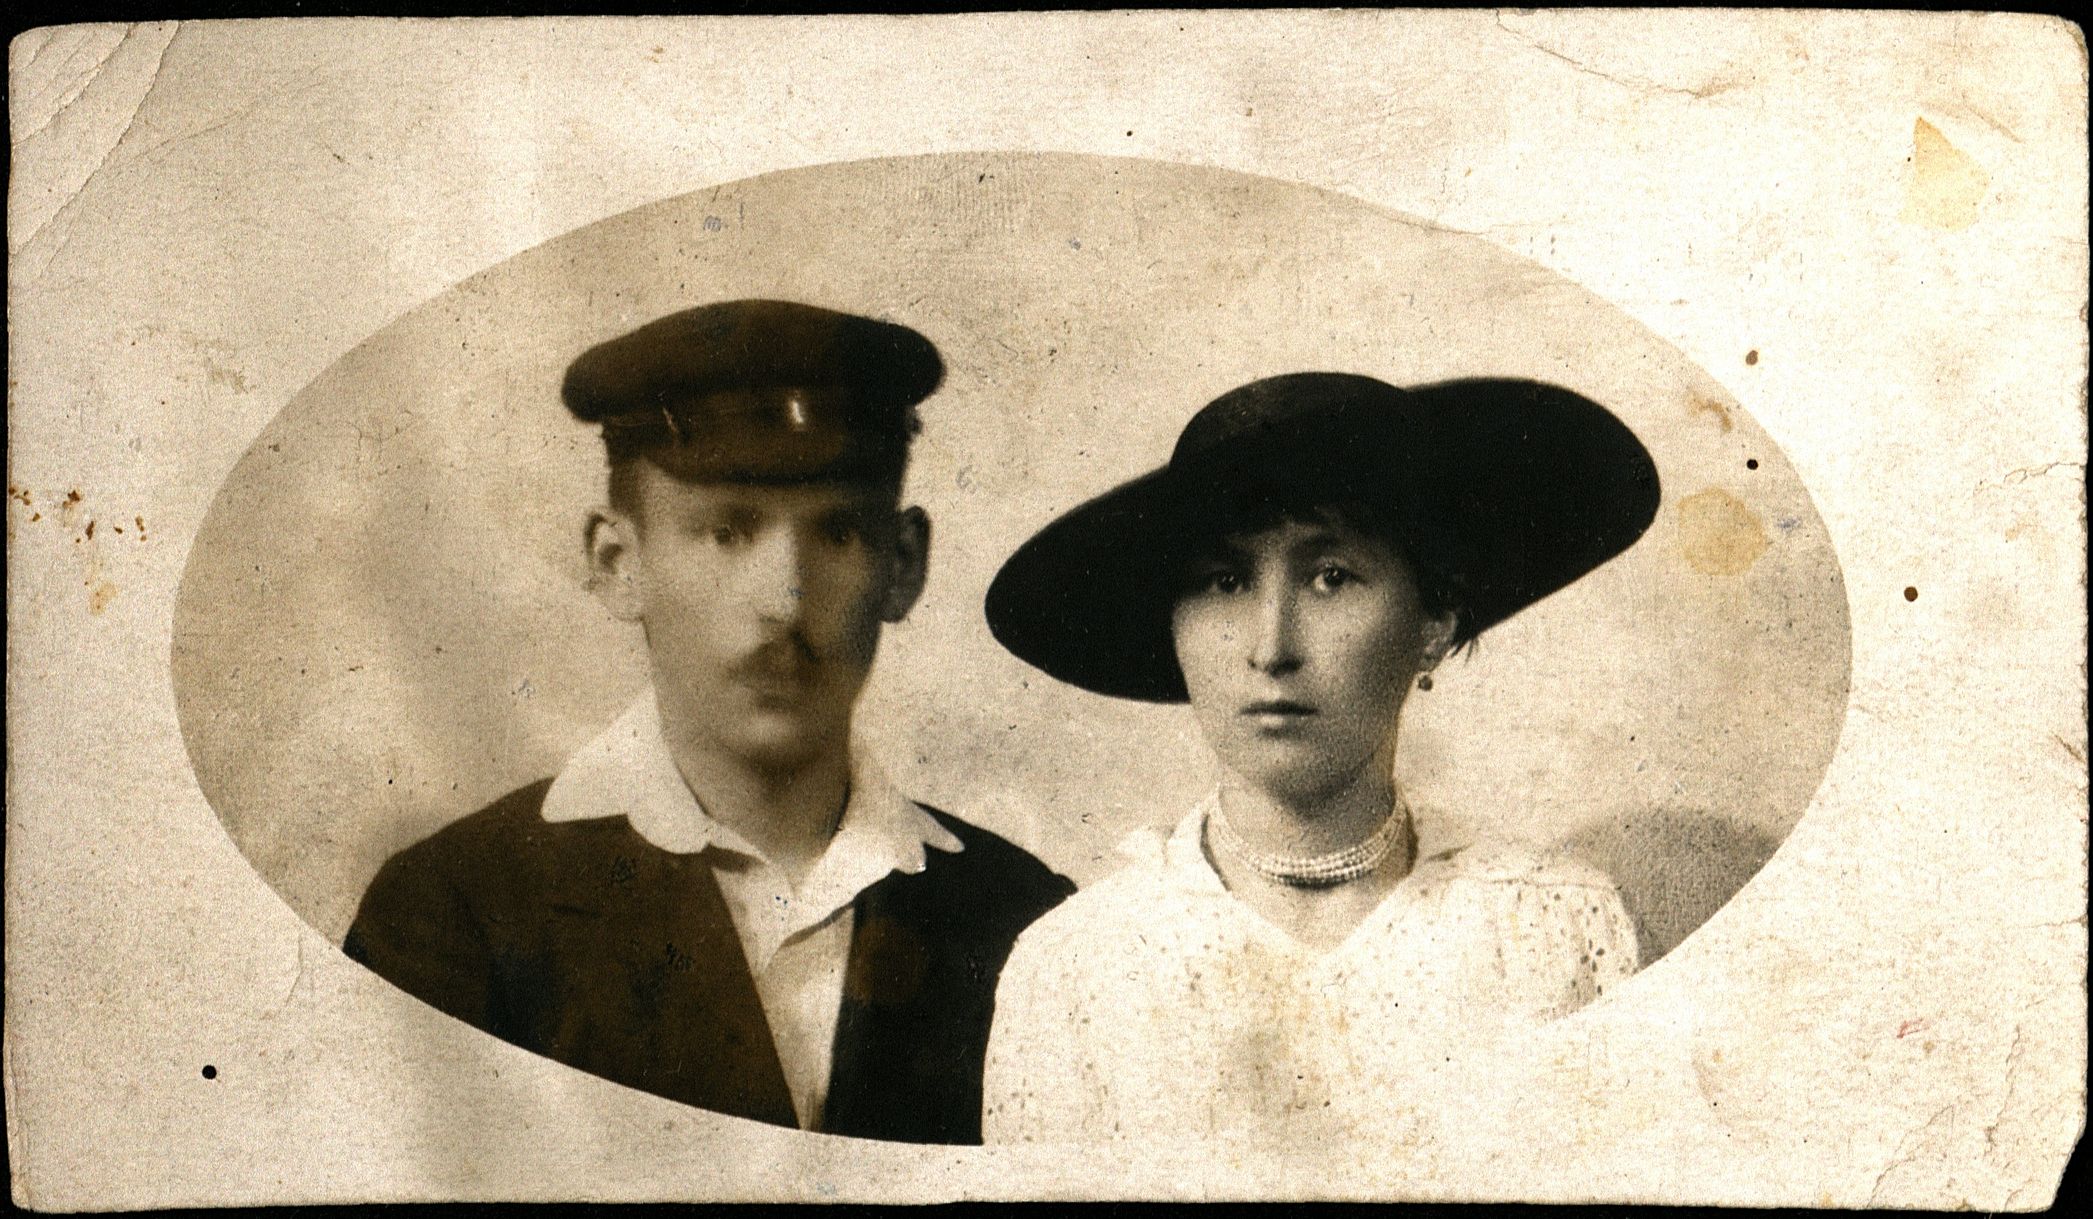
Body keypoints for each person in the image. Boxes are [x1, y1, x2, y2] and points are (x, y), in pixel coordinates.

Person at [344, 299, 1074, 1144]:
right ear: (617, 562)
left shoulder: (1026, 918)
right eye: (726, 532)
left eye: (838, 532)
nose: (785, 601)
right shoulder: (456, 910)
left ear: (903, 564)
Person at [978, 372, 1661, 1143]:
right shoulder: (1074, 968)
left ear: (1433, 621)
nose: (1270, 647)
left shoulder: (1553, 924)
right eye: (1224, 581)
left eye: (1331, 577)